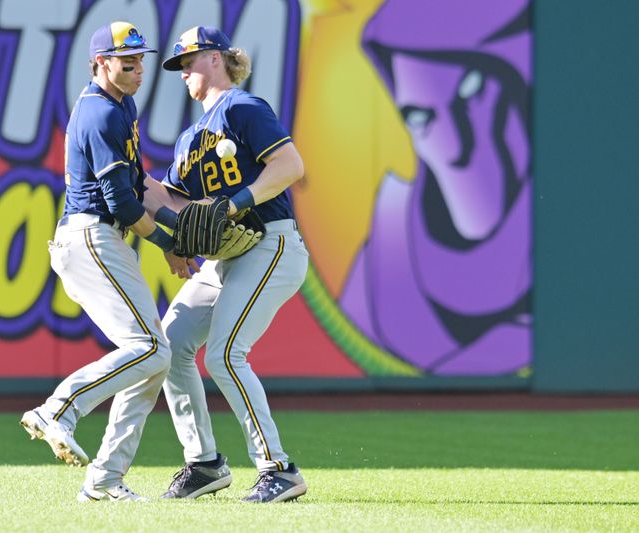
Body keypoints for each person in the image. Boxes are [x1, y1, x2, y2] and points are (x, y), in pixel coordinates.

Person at [19, 21, 197, 503]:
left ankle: (104, 479)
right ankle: (59, 408)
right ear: (99, 64)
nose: (138, 69)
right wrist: (167, 242)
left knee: (152, 357)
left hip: (103, 238)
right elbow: (121, 204)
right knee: (151, 348)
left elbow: (139, 185)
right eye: (126, 62)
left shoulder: (123, 104)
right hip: (92, 236)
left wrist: (179, 220)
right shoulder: (100, 114)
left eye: (140, 60)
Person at [144, 26, 310, 503]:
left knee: (224, 355)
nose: (182, 72)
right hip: (226, 257)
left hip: (269, 245)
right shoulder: (190, 138)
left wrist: (235, 203)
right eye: (178, 65)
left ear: (216, 59)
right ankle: (204, 465)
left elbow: (290, 166)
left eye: (189, 61)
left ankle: (278, 469)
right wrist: (132, 174)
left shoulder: (243, 108)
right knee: (168, 345)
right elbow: (172, 198)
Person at [341, 0, 532, 374]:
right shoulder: (383, 268)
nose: (456, 144)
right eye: (421, 117)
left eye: (473, 94)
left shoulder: (581, 248)